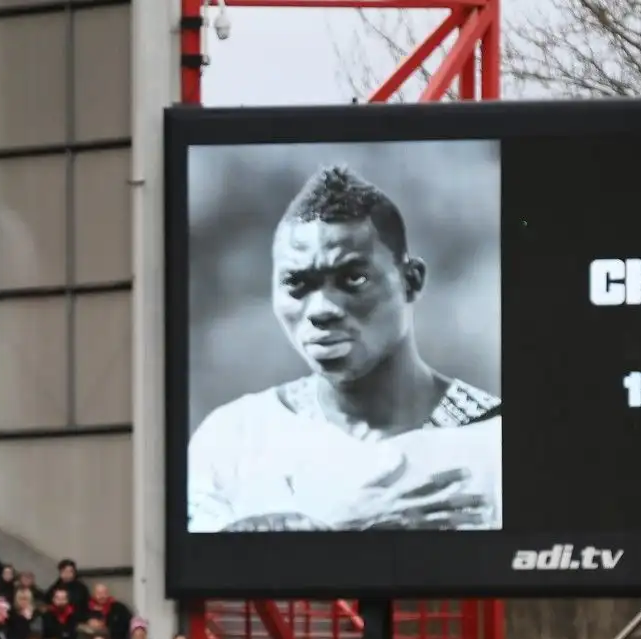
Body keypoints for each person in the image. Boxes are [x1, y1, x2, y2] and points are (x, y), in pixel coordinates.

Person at [185, 165, 501, 533]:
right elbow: (202, 579)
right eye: (297, 283)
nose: (322, 310)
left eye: (353, 279)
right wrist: (341, 532)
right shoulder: (235, 436)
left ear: (411, 280)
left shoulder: (495, 440)